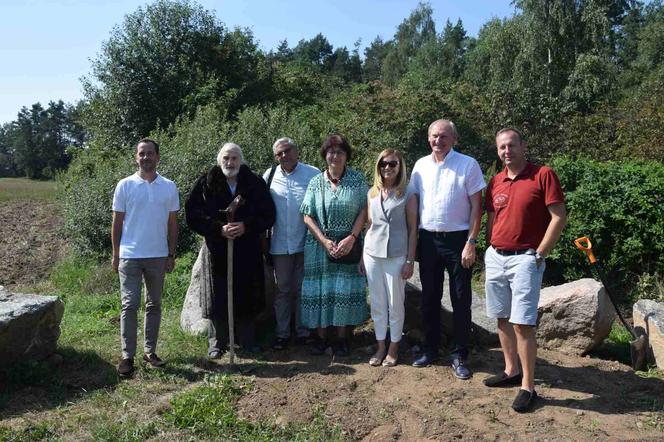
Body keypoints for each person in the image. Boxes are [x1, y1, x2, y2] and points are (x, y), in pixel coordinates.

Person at [483, 128, 566, 412]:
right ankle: (510, 371)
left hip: (525, 259)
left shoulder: (542, 174)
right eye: (502, 147)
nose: (507, 151)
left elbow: (559, 217)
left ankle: (528, 385)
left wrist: (540, 254)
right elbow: (492, 219)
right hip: (496, 256)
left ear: (523, 146)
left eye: (512, 145)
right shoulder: (495, 181)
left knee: (523, 323)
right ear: (498, 151)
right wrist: (489, 247)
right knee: (502, 317)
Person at [408, 119, 485, 379]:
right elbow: (413, 205)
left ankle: (459, 353)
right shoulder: (419, 166)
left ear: (454, 139)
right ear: (428, 138)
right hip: (428, 239)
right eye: (433, 136)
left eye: (443, 136)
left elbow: (477, 207)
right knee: (429, 296)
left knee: (461, 298)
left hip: (458, 240)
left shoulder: (467, 164)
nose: (437, 141)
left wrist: (471, 242)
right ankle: (431, 348)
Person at [185, 142, 275, 358]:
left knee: (247, 295)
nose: (230, 162)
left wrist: (246, 226)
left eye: (234, 158)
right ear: (220, 160)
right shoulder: (207, 182)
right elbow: (192, 214)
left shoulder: (253, 182)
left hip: (247, 250)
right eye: (226, 158)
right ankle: (217, 343)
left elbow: (268, 213)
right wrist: (218, 228)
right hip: (217, 251)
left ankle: (248, 340)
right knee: (218, 297)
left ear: (240, 160)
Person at [111, 138, 179, 377]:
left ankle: (150, 352)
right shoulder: (125, 185)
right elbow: (117, 222)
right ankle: (127, 356)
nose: (146, 157)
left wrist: (171, 253)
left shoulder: (169, 186)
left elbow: (172, 223)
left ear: (158, 157)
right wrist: (116, 253)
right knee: (129, 305)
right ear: (135, 157)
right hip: (130, 256)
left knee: (154, 304)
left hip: (158, 255)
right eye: (142, 153)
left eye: (150, 153)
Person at [300, 134, 368, 357]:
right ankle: (320, 338)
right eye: (331, 152)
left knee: (343, 289)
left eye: (340, 152)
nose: (335, 156)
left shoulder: (358, 180)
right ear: (324, 155)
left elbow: (365, 210)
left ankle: (341, 338)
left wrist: (352, 237)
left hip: (349, 243)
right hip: (319, 246)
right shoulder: (315, 182)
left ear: (347, 156)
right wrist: (324, 241)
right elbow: (307, 215)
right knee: (321, 290)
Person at [361, 149, 418, 367]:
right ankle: (381, 346)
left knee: (395, 303)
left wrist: (410, 260)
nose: (387, 168)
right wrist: (361, 257)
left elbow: (413, 229)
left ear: (400, 166)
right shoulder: (372, 193)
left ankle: (394, 347)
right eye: (383, 164)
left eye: (392, 164)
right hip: (372, 253)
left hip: (396, 254)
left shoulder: (407, 193)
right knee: (377, 302)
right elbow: (369, 225)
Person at [263, 137, 320, 350]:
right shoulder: (269, 176)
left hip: (307, 241)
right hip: (279, 243)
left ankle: (303, 332)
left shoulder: (313, 173)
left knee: (303, 288)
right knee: (283, 290)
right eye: (279, 154)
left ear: (296, 151)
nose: (283, 156)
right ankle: (282, 333)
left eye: (287, 151)